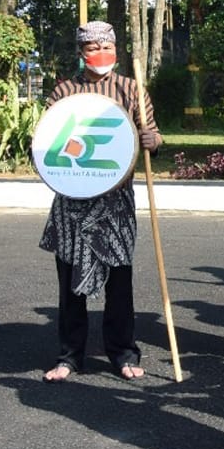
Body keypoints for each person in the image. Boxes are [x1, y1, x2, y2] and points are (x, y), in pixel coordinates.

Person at [40, 21, 162, 381]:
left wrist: (152, 139)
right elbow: (49, 137)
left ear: (116, 50)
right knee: (70, 284)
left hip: (116, 201)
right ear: (82, 53)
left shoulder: (131, 88)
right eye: (93, 48)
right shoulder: (64, 91)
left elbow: (151, 131)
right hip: (73, 200)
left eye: (107, 47)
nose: (101, 55)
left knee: (119, 282)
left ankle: (123, 354)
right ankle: (69, 356)